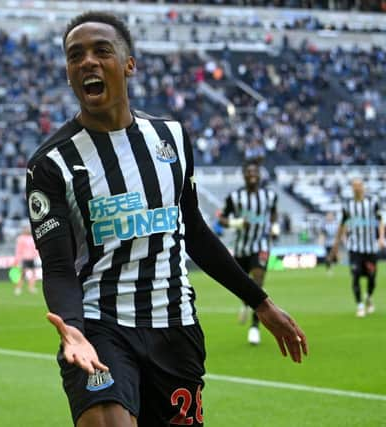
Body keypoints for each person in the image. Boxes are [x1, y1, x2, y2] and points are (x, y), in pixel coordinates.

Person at [25, 12, 307, 427]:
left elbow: (194, 231)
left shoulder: (171, 138)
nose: (87, 61)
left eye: (101, 51)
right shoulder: (51, 163)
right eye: (75, 56)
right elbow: (58, 266)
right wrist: (72, 327)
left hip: (175, 326)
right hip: (100, 327)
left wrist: (260, 302)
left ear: (128, 64)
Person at [219, 161, 278, 344]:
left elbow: (273, 213)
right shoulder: (235, 197)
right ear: (244, 175)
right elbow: (222, 219)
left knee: (258, 283)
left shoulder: (269, 195)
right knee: (243, 286)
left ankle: (254, 327)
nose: (252, 174)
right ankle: (245, 302)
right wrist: (237, 223)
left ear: (259, 175)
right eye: (248, 172)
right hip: (241, 247)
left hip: (260, 245)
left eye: (255, 172)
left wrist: (274, 228)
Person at [330, 178, 385, 317]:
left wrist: (381, 238)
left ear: (363, 187)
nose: (357, 188)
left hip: (370, 248)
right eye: (354, 186)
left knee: (372, 279)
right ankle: (360, 305)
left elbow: (380, 221)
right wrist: (336, 244)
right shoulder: (348, 205)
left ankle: (369, 297)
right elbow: (342, 225)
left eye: (359, 185)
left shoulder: (372, 203)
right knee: (355, 275)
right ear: (351, 188)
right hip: (355, 247)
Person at [13, 226, 39, 296]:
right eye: (26, 229)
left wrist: (36, 255)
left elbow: (35, 248)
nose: (27, 230)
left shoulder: (32, 238)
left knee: (33, 273)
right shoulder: (21, 238)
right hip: (24, 258)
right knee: (22, 274)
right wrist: (17, 259)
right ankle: (18, 288)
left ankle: (31, 287)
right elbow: (18, 250)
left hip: (31, 258)